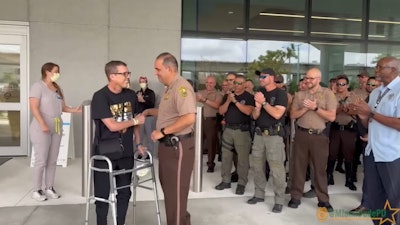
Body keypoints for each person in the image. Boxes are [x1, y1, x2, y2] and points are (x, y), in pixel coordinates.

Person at [142, 52, 196, 225]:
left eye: (158, 69)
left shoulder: (182, 87)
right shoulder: (170, 88)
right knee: (172, 194)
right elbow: (171, 113)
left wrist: (162, 131)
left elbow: (189, 117)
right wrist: (150, 112)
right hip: (168, 147)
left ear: (170, 69)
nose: (155, 73)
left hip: (177, 146)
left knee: (176, 195)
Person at [91, 60, 145, 225]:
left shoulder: (130, 95)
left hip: (126, 152)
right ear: (112, 76)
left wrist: (138, 143)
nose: (128, 76)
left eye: (128, 73)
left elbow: (136, 121)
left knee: (124, 192)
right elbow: (112, 126)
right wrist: (134, 122)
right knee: (102, 195)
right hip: (105, 153)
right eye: (124, 73)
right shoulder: (100, 96)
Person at [350, 56, 400, 225]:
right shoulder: (376, 92)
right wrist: (363, 115)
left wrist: (370, 113)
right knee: (375, 199)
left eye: (380, 67)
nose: (376, 70)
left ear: (393, 70)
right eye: (376, 67)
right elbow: (369, 122)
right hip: (372, 151)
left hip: (392, 155)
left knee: (396, 201)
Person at [29, 62, 82, 201]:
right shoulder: (38, 87)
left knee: (52, 160)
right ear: (47, 72)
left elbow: (62, 107)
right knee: (41, 160)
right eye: (55, 71)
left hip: (57, 126)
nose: (58, 74)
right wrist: (42, 124)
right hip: (41, 128)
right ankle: (37, 190)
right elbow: (34, 108)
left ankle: (49, 187)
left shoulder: (57, 88)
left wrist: (75, 110)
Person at [288, 68, 337, 212]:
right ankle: (295, 196)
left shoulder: (328, 94)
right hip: (301, 134)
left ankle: (323, 200)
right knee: (298, 167)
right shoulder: (300, 94)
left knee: (320, 169)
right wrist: (305, 108)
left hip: (319, 136)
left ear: (318, 78)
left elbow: (332, 117)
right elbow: (292, 115)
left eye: (311, 78)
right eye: (306, 78)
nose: (307, 80)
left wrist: (315, 108)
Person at [247, 68, 288, 213]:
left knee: (277, 169)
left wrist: (263, 103)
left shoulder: (280, 93)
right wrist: (257, 107)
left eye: (264, 76)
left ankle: (279, 200)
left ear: (272, 77)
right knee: (257, 166)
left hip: (274, 137)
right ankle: (259, 194)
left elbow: (277, 114)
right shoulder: (260, 93)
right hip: (259, 136)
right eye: (260, 77)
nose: (261, 79)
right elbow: (255, 116)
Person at [215, 74, 254, 195]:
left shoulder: (249, 97)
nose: (236, 86)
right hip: (228, 130)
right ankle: (225, 180)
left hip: (242, 132)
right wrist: (228, 100)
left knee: (242, 160)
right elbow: (221, 111)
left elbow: (248, 111)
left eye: (239, 83)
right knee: (226, 157)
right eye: (234, 83)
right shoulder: (228, 95)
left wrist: (235, 101)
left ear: (244, 85)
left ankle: (241, 183)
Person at [349, 76, 380, 215]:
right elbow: (363, 117)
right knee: (369, 175)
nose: (372, 87)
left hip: (390, 146)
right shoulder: (373, 97)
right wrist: (368, 134)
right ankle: (366, 203)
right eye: (370, 84)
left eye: (375, 84)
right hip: (370, 143)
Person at [326, 74, 358, 191]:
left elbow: (357, 111)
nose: (340, 86)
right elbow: (331, 112)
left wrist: (349, 110)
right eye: (338, 84)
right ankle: (329, 176)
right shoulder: (332, 96)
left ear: (347, 85)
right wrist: (340, 109)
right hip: (335, 128)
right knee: (332, 153)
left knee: (349, 155)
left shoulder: (353, 96)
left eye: (343, 84)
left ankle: (349, 180)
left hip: (349, 130)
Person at [196, 75, 223, 172]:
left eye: (211, 83)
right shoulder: (200, 92)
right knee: (197, 142)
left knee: (211, 143)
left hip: (210, 120)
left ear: (215, 83)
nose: (208, 84)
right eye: (207, 82)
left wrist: (204, 100)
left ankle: (210, 164)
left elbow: (216, 105)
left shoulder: (218, 94)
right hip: (199, 120)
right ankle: (196, 162)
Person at [136, 76, 156, 156]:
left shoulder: (151, 93)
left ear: (147, 83)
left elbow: (152, 104)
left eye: (143, 82)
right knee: (139, 136)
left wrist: (143, 100)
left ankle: (149, 155)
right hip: (140, 117)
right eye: (141, 82)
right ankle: (139, 153)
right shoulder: (138, 93)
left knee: (150, 136)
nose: (142, 84)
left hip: (149, 117)